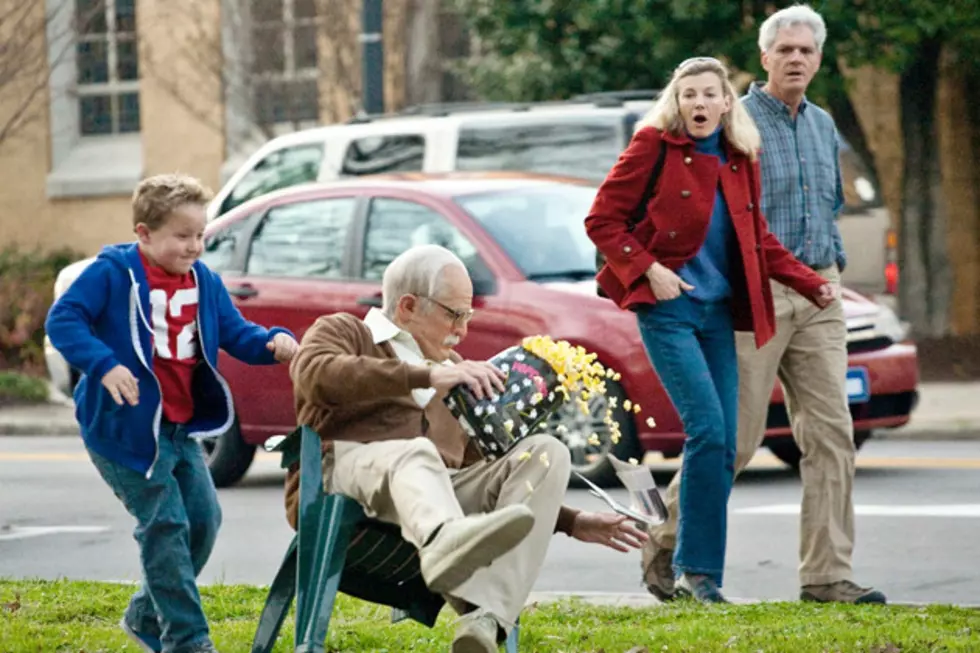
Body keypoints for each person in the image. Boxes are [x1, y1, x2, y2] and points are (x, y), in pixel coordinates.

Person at [640, 4, 888, 606]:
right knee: (735, 437)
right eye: (786, 50)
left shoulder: (825, 126)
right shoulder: (734, 122)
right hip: (753, 294)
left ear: (819, 58)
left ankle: (827, 576)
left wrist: (824, 277)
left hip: (816, 288)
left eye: (807, 50)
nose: (797, 58)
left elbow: (824, 207)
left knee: (832, 435)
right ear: (765, 58)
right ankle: (667, 545)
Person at [286, 244, 647, 652]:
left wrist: (570, 520)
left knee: (546, 451)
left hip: (435, 495)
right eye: (454, 314)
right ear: (407, 306)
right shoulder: (346, 331)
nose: (463, 330)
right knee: (415, 452)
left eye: (468, 316)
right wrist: (423, 376)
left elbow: (481, 467)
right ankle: (445, 540)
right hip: (342, 480)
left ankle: (483, 620)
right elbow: (314, 375)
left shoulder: (453, 370)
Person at [586, 57, 835, 603]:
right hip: (668, 310)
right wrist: (650, 269)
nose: (698, 104)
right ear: (677, 103)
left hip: (720, 313)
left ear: (727, 103)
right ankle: (692, 572)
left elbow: (757, 239)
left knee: (723, 448)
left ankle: (699, 574)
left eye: (708, 95)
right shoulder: (653, 146)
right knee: (710, 432)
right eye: (688, 95)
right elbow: (602, 219)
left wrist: (810, 282)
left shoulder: (739, 158)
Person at [45, 173, 299, 653]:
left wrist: (272, 342)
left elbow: (235, 333)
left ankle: (144, 614)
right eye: (183, 236)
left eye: (201, 235)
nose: (195, 246)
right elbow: (63, 320)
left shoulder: (203, 280)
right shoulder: (112, 274)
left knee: (203, 522)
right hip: (126, 432)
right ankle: (187, 640)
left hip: (182, 429)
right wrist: (104, 365)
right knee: (165, 525)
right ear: (143, 233)